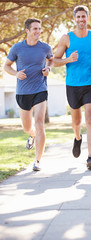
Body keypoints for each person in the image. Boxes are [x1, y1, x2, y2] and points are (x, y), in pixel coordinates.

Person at [53, 5, 91, 170]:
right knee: (76, 122)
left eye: (84, 16)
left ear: (88, 18)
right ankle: (77, 137)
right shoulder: (66, 38)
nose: (81, 20)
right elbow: (54, 60)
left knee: (90, 118)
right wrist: (68, 60)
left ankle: (90, 157)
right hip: (73, 85)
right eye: (78, 17)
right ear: (74, 19)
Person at [4, 18, 54, 171]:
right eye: (35, 29)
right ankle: (31, 135)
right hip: (23, 92)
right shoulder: (17, 48)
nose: (38, 31)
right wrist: (16, 73)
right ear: (27, 30)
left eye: (39, 28)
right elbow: (6, 66)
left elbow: (51, 60)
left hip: (40, 89)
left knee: (39, 124)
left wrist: (48, 68)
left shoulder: (45, 47)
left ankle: (37, 161)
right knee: (27, 127)